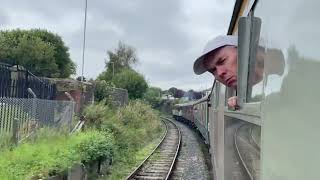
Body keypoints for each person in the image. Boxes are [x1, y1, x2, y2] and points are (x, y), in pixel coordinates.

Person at [193, 35, 284, 107]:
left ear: (245, 50)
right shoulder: (261, 89)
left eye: (222, 60)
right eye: (213, 71)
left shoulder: (290, 73)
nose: (220, 73)